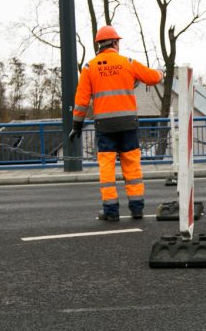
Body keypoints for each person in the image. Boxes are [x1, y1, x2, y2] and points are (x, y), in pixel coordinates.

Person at [69, 25, 163, 221]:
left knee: (107, 168)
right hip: (128, 124)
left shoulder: (89, 68)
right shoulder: (126, 62)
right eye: (118, 42)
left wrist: (77, 125)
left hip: (105, 127)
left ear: (99, 45)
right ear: (113, 42)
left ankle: (111, 212)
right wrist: (161, 72)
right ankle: (137, 209)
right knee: (132, 166)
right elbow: (153, 78)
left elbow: (81, 101)